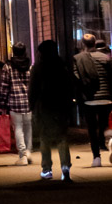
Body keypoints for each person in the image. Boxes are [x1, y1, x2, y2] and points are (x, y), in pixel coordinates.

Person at [30, 39, 74, 183]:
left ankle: (46, 169)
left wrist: (32, 106)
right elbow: (69, 86)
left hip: (44, 106)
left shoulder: (38, 68)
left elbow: (33, 89)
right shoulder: (62, 66)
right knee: (62, 137)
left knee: (44, 138)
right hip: (60, 106)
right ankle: (65, 167)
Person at [73, 33, 112, 168]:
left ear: (83, 44)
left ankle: (96, 157)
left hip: (89, 99)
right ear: (94, 43)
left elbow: (76, 79)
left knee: (92, 129)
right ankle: (106, 143)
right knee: (104, 126)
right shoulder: (105, 58)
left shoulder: (78, 59)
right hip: (106, 98)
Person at [0, 43, 33, 164]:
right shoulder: (29, 66)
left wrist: (2, 103)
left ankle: (22, 155)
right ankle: (28, 151)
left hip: (14, 101)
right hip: (28, 101)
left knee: (18, 128)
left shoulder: (8, 67)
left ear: (13, 52)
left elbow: (4, 87)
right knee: (28, 127)